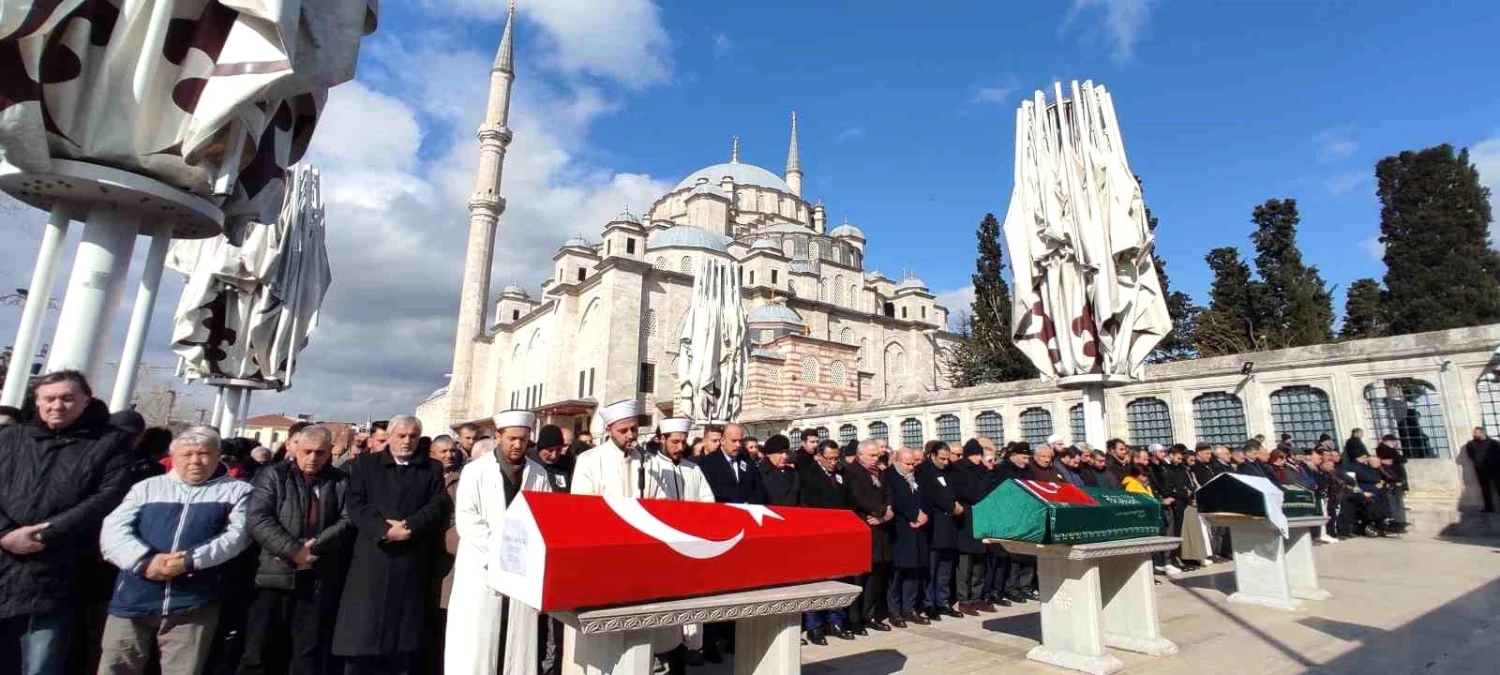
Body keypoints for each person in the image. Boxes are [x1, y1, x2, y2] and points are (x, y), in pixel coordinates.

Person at [0, 371, 132, 675]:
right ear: (37, 402)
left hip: (59, 569)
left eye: (67, 398)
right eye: (49, 398)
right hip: (4, 560)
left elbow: (107, 496)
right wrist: (6, 534)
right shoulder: (10, 438)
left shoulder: (110, 443)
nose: (57, 405)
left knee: (42, 662)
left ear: (86, 400)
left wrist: (46, 534)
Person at [98, 426, 254, 675]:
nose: (195, 461)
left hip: (194, 601)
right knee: (116, 667)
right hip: (134, 596)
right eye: (187, 454)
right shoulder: (147, 487)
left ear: (217, 455)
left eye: (204, 453)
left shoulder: (238, 491)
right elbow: (114, 531)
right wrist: (145, 562)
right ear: (173, 456)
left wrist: (191, 560)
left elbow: (237, 536)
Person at [333, 416, 452, 675]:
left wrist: (409, 527)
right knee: (362, 639)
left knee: (401, 643)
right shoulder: (364, 466)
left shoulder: (431, 468)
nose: (407, 441)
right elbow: (356, 504)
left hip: (409, 560)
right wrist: (384, 530)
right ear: (390, 437)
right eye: (401, 435)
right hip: (371, 560)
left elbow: (438, 505)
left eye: (412, 436)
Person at [240, 425, 351, 675]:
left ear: (330, 453)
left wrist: (317, 545)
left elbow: (347, 519)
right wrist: (293, 551)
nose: (313, 458)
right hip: (272, 575)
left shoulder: (340, 481)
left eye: (320, 453)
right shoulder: (273, 475)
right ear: (295, 448)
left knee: (306, 652)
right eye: (307, 451)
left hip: (316, 575)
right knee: (258, 651)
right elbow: (259, 518)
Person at [444, 411, 549, 675]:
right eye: (512, 438)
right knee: (478, 641)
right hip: (482, 566)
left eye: (523, 440)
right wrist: (501, 552)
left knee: (517, 641)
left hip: (521, 569)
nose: (517, 445)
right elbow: (468, 520)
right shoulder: (475, 471)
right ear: (499, 436)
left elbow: (544, 518)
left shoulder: (538, 474)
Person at [640, 418, 714, 673]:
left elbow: (707, 502)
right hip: (662, 551)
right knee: (664, 614)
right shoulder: (649, 467)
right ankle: (660, 656)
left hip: (691, 548)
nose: (680, 446)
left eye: (683, 441)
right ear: (661, 440)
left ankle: (687, 653)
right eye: (674, 441)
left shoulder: (693, 469)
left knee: (690, 609)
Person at [797, 440, 856, 641]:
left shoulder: (841, 474)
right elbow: (808, 505)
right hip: (818, 534)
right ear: (819, 456)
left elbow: (849, 499)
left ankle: (835, 621)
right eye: (829, 459)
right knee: (815, 582)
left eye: (835, 458)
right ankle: (814, 625)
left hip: (838, 534)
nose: (833, 462)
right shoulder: (808, 475)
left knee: (836, 580)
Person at [843, 440, 893, 632]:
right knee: (860, 577)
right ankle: (855, 619)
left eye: (877, 455)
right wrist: (881, 511)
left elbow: (889, 493)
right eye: (872, 455)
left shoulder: (880, 471)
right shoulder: (852, 472)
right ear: (860, 454)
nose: (876, 458)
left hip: (880, 529)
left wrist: (887, 512)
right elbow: (858, 498)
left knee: (876, 576)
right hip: (863, 527)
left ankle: (870, 615)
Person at [916, 441, 962, 622]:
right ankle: (929, 603)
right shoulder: (924, 471)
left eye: (947, 458)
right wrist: (951, 506)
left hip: (948, 524)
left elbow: (953, 489)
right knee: (932, 567)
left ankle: (943, 600)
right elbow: (933, 494)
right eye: (941, 458)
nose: (945, 462)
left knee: (945, 566)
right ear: (932, 456)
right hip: (934, 525)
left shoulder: (948, 471)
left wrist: (957, 504)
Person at [950, 440, 997, 615]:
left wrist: (987, 471)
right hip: (966, 520)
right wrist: (986, 474)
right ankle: (964, 599)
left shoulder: (983, 470)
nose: (980, 459)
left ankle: (977, 597)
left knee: (979, 561)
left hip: (980, 519)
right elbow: (973, 494)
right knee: (965, 562)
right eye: (978, 455)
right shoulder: (960, 469)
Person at [884, 448, 929, 627]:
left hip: (917, 529)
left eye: (913, 463)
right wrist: (913, 515)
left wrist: (924, 514)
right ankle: (894, 612)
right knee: (896, 574)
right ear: (897, 461)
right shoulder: (889, 476)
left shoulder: (916, 476)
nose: (912, 467)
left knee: (913, 572)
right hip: (900, 529)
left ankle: (909, 608)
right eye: (908, 463)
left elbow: (925, 496)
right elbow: (896, 500)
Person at [570, 400, 649, 498]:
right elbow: (582, 502)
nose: (630, 435)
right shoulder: (588, 460)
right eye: (623, 431)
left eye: (634, 429)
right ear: (609, 431)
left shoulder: (647, 460)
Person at [697, 423, 767, 505]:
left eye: (740, 441)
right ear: (722, 441)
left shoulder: (747, 461)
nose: (738, 445)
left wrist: (749, 504)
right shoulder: (707, 463)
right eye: (734, 441)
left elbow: (759, 489)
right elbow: (709, 493)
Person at [1464, 427, 1500, 513]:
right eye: (1474, 433)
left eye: (1476, 433)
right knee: (1485, 489)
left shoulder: (1493, 443)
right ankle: (1489, 508)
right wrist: (1478, 462)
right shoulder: (1470, 444)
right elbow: (1470, 454)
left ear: (1482, 433)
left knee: (1499, 487)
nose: (1474, 434)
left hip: (1495, 469)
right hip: (1481, 470)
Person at [758, 436, 800, 506]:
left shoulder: (793, 472)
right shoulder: (759, 474)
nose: (785, 456)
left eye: (786, 452)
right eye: (780, 452)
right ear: (769, 454)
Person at [533, 425, 574, 493]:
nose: (554, 455)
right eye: (550, 450)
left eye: (558, 449)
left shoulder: (567, 464)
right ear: (540, 448)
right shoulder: (528, 463)